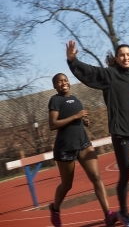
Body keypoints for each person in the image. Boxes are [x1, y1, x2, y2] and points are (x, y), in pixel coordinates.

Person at [66, 41, 129, 227]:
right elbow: (90, 72)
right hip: (121, 132)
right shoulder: (110, 75)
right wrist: (73, 61)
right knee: (126, 173)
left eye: (128, 54)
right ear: (116, 58)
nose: (126, 57)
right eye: (121, 55)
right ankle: (124, 212)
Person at [48, 73, 116, 227]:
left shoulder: (76, 99)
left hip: (83, 143)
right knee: (66, 185)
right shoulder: (55, 100)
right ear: (55, 86)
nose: (63, 83)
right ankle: (55, 209)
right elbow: (53, 124)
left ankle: (108, 214)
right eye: (59, 81)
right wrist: (75, 117)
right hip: (65, 147)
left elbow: (76, 117)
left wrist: (83, 120)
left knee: (96, 177)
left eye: (65, 80)